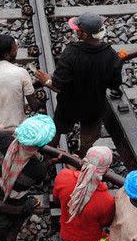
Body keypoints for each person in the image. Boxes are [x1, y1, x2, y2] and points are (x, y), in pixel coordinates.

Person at [35, 13, 123, 157]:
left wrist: (47, 81)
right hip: (95, 106)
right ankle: (82, 157)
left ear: (84, 34)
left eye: (78, 29)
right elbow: (115, 83)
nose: (76, 31)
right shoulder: (111, 55)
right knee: (89, 134)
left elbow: (59, 84)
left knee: (57, 128)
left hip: (69, 104)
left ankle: (49, 153)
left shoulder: (71, 53)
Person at [0, 34, 42, 131]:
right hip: (16, 128)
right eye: (14, 49)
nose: (17, 51)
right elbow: (34, 106)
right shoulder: (21, 73)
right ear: (6, 55)